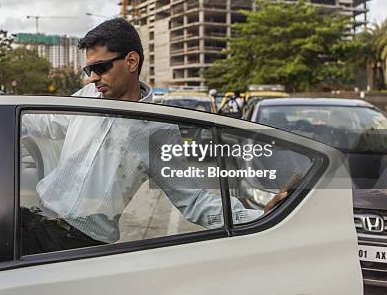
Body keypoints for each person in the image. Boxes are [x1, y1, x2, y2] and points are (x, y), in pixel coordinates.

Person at [19, 18, 287, 254]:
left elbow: (194, 201)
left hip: (80, 245)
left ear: (131, 61)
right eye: (89, 70)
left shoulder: (157, 130)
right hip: (36, 220)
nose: (92, 78)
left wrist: (258, 215)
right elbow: (45, 122)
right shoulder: (88, 97)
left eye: (100, 68)